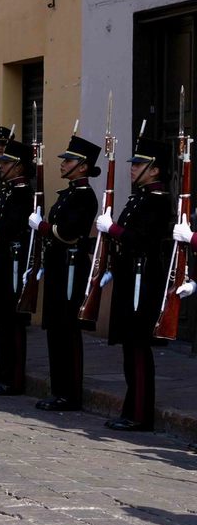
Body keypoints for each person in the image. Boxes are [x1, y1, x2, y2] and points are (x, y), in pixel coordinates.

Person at [100, 136, 173, 431]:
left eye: (139, 164)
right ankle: (131, 409)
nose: (132, 168)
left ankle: (140, 414)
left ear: (154, 170)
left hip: (144, 279)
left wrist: (113, 229)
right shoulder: (139, 198)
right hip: (130, 277)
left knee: (139, 347)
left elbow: (142, 239)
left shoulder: (158, 201)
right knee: (130, 348)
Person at [31, 134, 101, 411]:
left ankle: (70, 394)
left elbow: (69, 232)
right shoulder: (70, 194)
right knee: (56, 330)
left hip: (71, 267)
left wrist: (42, 227)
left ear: (82, 166)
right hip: (58, 266)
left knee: (67, 330)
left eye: (69, 161)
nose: (62, 164)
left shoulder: (84, 196)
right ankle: (59, 389)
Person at [0, 139, 35, 395]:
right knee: (3, 321)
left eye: (5, 163)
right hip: (3, 259)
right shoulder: (11, 191)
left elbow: (12, 226)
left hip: (14, 262)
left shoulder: (22, 193)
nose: (0, 166)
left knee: (13, 322)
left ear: (18, 167)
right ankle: (4, 376)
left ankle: (13, 379)